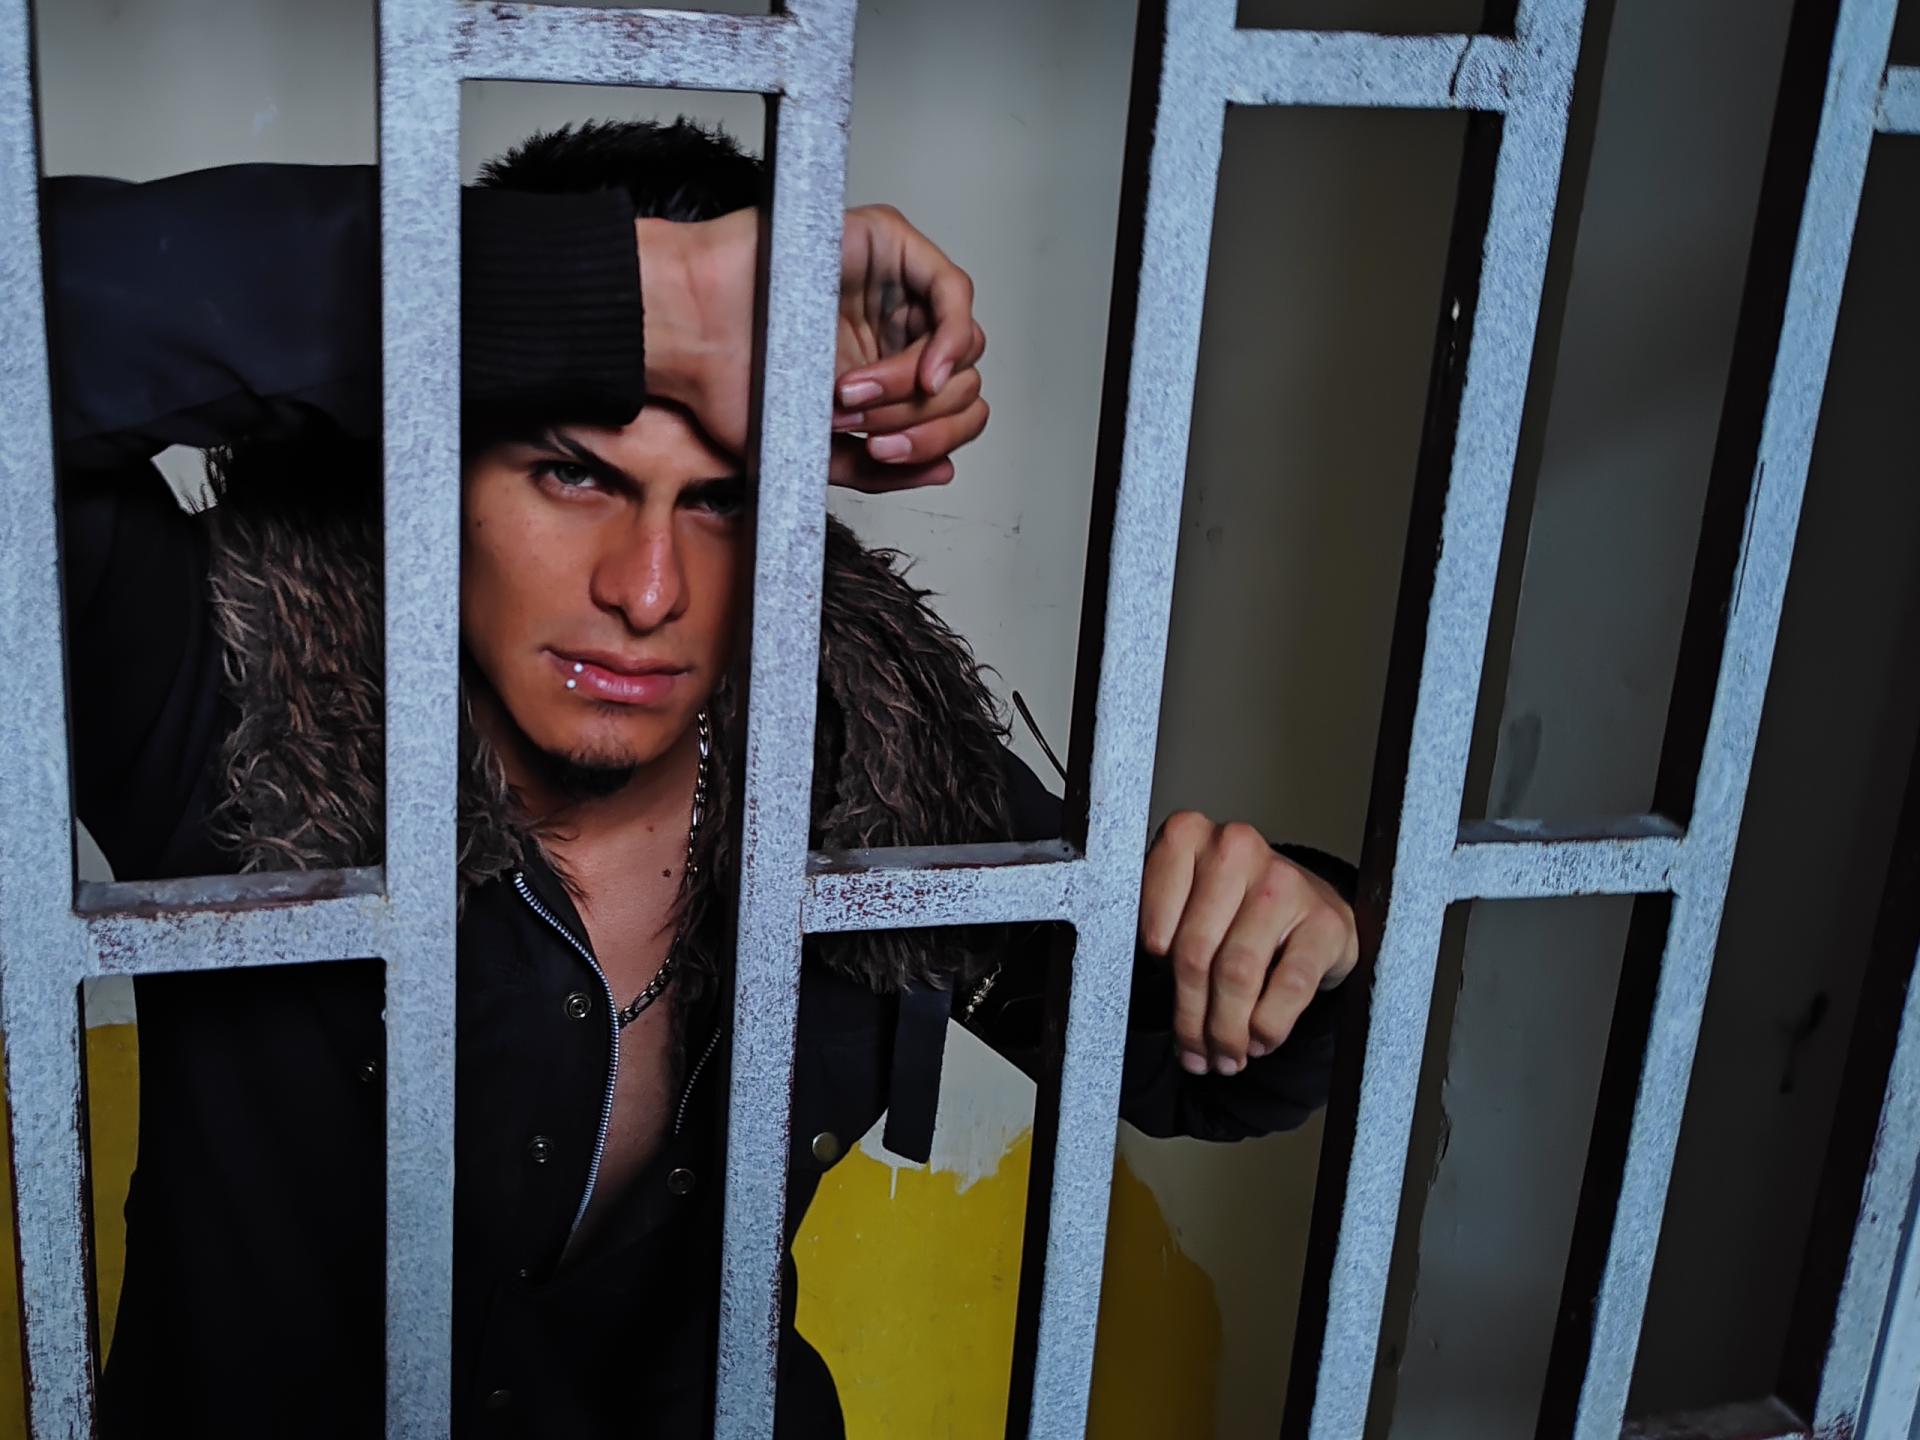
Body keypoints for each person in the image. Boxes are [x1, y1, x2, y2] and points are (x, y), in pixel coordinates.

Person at [49, 119, 1359, 1437]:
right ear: (428, 465)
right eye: (573, 473)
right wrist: (631, 298)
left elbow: (1188, 1058)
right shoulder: (236, 679)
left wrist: (1291, 934)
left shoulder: (864, 752)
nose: (649, 592)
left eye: (722, 500)